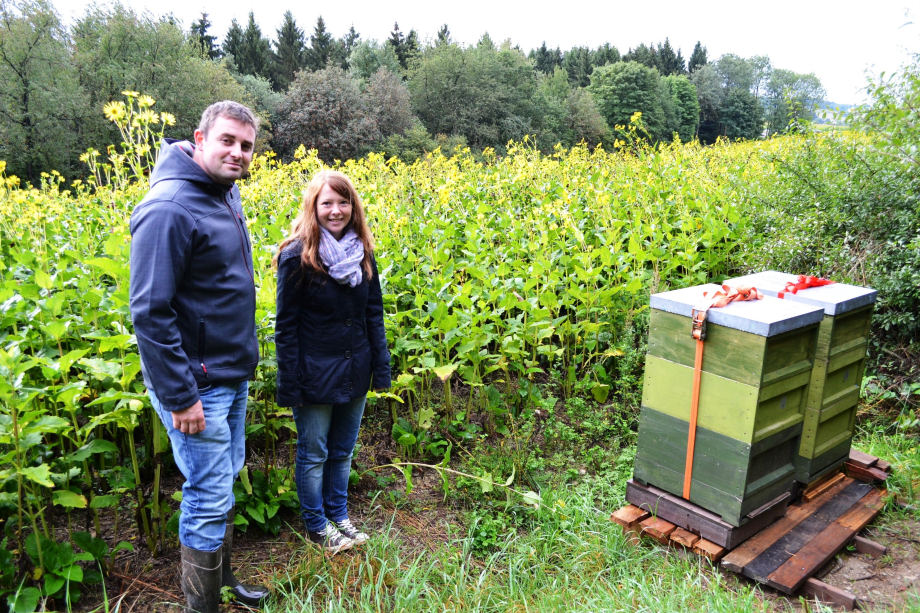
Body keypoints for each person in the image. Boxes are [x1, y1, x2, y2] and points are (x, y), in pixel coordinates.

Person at [129, 100, 270, 613]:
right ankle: (201, 608)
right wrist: (181, 395)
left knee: (223, 482)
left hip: (229, 373)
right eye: (228, 141)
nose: (238, 153)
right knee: (208, 494)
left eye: (247, 146)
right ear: (200, 138)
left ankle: (224, 582)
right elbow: (149, 310)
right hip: (197, 385)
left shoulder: (221, 192)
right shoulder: (170, 207)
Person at [274, 170, 391, 554]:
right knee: (314, 453)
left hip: (355, 368)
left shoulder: (364, 253)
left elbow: (374, 315)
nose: (336, 211)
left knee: (343, 451)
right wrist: (290, 383)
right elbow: (286, 327)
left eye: (343, 202)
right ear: (314, 207)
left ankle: (338, 515)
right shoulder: (297, 256)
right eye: (327, 203)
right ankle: (316, 524)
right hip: (313, 374)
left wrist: (381, 369)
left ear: (353, 207)